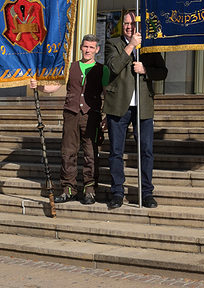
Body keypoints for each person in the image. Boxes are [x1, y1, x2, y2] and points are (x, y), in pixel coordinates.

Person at [31, 34, 110, 205]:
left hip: (92, 116)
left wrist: (107, 116)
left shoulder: (102, 69)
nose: (88, 50)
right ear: (81, 47)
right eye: (85, 46)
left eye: (91, 47)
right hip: (71, 114)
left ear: (97, 50)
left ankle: (89, 190)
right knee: (68, 153)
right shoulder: (70, 67)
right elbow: (54, 86)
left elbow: (106, 93)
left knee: (90, 154)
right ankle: (68, 189)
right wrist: (38, 85)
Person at [103, 11, 167, 209]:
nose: (129, 27)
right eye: (126, 24)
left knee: (146, 151)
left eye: (132, 24)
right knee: (116, 151)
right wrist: (130, 46)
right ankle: (117, 192)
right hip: (118, 105)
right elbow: (112, 67)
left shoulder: (148, 46)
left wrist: (146, 71)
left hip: (143, 106)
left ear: (138, 26)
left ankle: (146, 192)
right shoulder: (113, 44)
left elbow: (162, 72)